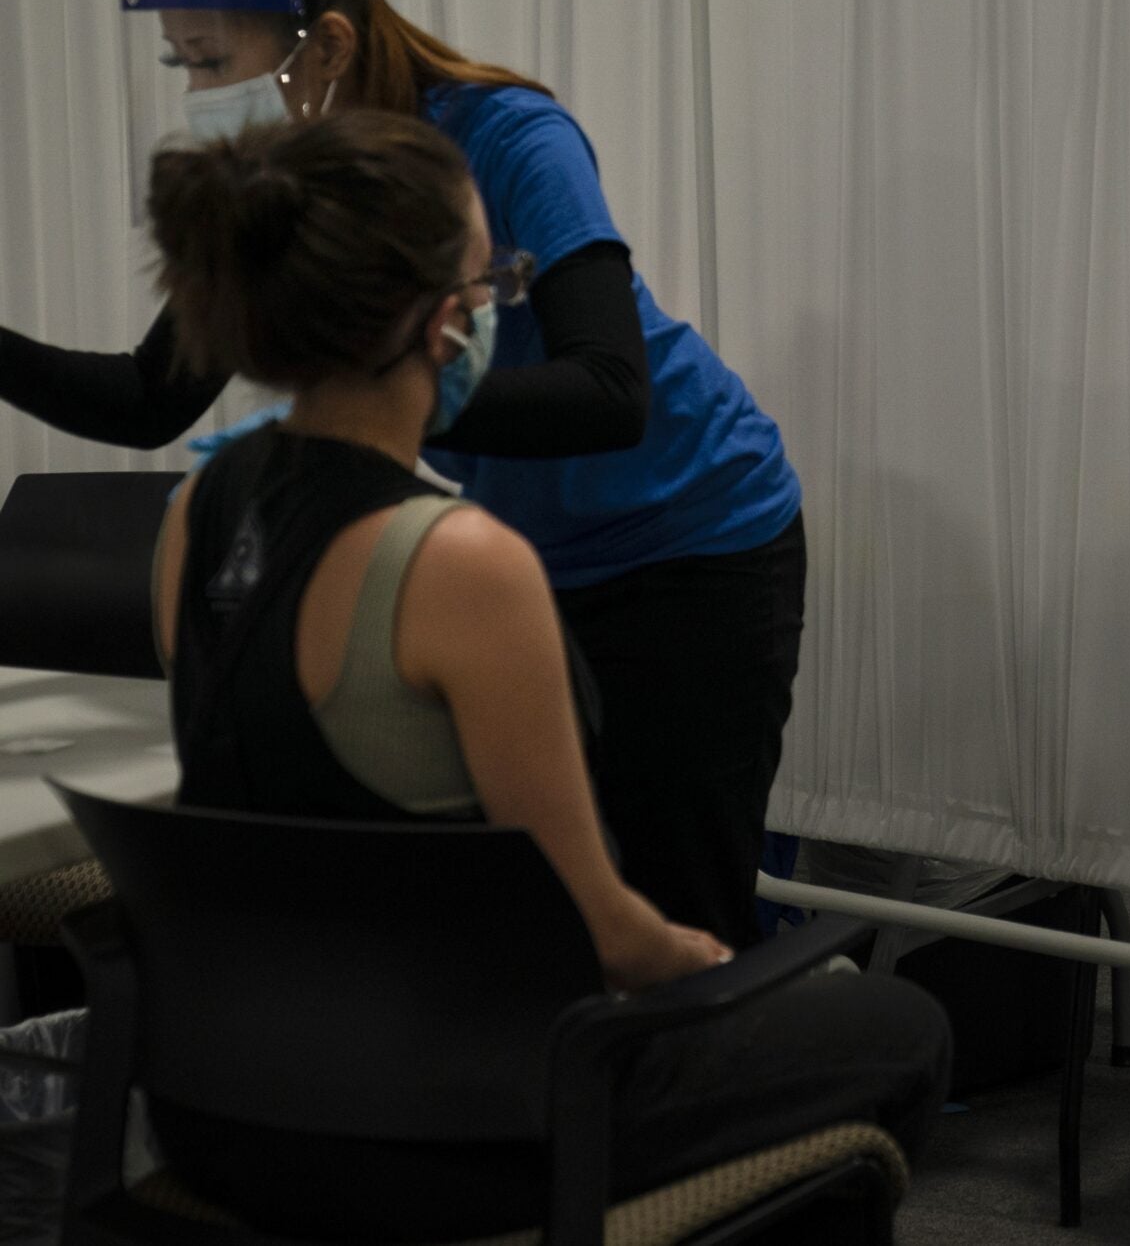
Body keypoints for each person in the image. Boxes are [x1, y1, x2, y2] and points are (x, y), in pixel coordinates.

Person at [141, 111, 948, 1240]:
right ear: (442, 322)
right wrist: (712, 957)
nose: (495, 300)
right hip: (462, 1124)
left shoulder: (194, 514)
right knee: (894, 1023)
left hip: (220, 1107)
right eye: (493, 281)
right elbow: (610, 935)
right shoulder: (463, 566)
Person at [0, 0, 802, 947]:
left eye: (213, 60)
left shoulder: (509, 137)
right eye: (181, 60)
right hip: (516, 557)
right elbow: (150, 398)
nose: (197, 94)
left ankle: (691, 1099)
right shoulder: (291, 176)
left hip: (684, 540)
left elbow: (613, 389)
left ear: (324, 42)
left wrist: (373, 397)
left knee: (669, 896)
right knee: (524, 907)